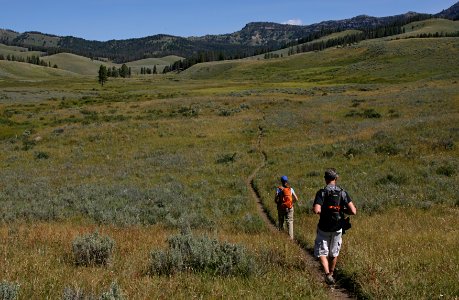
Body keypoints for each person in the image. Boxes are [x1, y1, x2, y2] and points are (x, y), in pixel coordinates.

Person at [313, 168, 357, 285]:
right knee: (334, 252)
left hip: (324, 227)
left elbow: (316, 210)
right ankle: (332, 274)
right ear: (336, 178)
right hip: (338, 227)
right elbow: (353, 211)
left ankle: (327, 274)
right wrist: (341, 210)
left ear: (325, 179)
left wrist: (324, 212)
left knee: (322, 252)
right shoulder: (342, 193)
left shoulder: (321, 192)